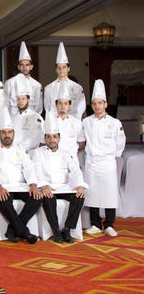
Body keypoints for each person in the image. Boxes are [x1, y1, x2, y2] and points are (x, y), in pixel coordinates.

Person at [0, 107, 41, 244]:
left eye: (9, 132)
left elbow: (29, 167)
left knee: (36, 198)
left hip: (21, 186)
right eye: (4, 132)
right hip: (4, 186)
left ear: (13, 134)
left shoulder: (20, 150)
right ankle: (25, 233)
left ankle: (13, 229)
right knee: (4, 200)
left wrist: (33, 186)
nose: (7, 135)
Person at [33, 113, 87, 243]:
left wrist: (80, 185)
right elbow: (37, 171)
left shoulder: (66, 153)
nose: (52, 140)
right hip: (49, 187)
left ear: (59, 138)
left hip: (64, 187)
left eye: (55, 137)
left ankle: (67, 229)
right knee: (48, 197)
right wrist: (44, 185)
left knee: (80, 196)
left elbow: (75, 170)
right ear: (45, 138)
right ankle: (56, 230)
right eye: (49, 137)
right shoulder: (38, 153)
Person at [83, 79, 125, 237]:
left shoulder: (115, 123)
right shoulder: (86, 122)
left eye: (100, 103)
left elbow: (121, 142)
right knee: (92, 193)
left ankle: (109, 224)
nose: (97, 106)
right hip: (92, 163)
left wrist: (112, 157)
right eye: (94, 103)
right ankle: (95, 224)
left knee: (109, 194)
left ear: (105, 104)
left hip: (107, 163)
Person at [44, 42, 86, 120]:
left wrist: (73, 121)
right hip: (55, 123)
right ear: (56, 69)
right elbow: (48, 108)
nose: (61, 69)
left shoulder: (78, 88)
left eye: (64, 67)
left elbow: (81, 107)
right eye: (59, 67)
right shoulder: (48, 88)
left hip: (73, 123)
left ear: (68, 68)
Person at [4, 42, 43, 115]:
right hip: (13, 117)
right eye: (22, 65)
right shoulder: (9, 82)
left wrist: (32, 117)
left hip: (31, 117)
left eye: (27, 65)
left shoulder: (37, 85)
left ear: (31, 67)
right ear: (18, 67)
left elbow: (39, 105)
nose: (24, 68)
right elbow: (5, 103)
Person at [11, 74, 45, 152]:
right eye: (18, 99)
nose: (20, 101)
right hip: (13, 155)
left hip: (28, 155)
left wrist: (16, 148)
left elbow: (33, 140)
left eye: (23, 98)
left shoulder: (36, 117)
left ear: (29, 100)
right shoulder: (12, 117)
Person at [53, 81, 85, 157]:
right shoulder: (50, 121)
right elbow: (43, 141)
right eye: (60, 103)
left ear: (70, 105)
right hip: (55, 158)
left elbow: (82, 142)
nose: (62, 106)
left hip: (72, 158)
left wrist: (72, 150)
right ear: (56, 105)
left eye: (66, 103)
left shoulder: (77, 122)